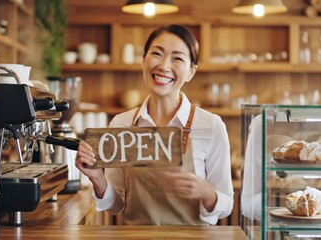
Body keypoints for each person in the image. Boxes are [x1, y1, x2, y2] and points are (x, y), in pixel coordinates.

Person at [75, 24, 234, 225]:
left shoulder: (211, 126)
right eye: (157, 53)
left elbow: (226, 204)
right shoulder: (121, 124)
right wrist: (97, 178)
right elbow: (116, 204)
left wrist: (206, 192)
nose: (164, 65)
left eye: (177, 58)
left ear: (191, 72)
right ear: (143, 61)